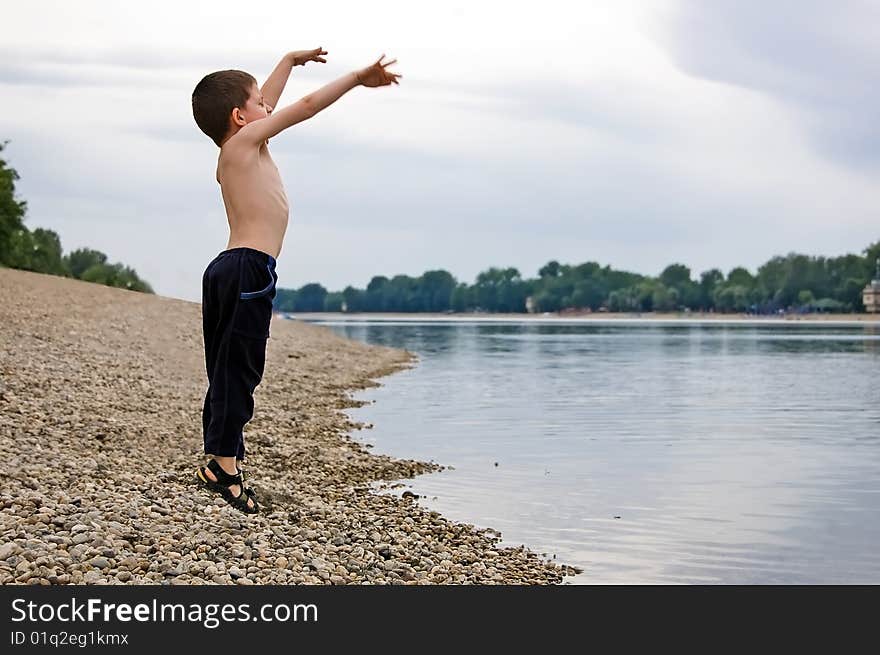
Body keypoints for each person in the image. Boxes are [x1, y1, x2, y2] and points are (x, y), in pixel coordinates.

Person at [190, 48, 402, 513]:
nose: (267, 105)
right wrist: (353, 79)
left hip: (233, 268)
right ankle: (223, 468)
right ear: (239, 117)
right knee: (240, 367)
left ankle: (221, 455)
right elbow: (301, 109)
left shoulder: (240, 145)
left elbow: (265, 98)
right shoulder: (243, 146)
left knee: (228, 365)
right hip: (247, 268)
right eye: (259, 104)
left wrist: (289, 59)